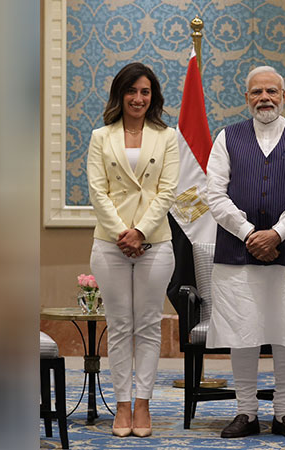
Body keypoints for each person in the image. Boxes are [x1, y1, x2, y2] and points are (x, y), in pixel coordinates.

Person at [205, 66, 285, 439]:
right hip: (237, 254)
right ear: (247, 98)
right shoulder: (228, 137)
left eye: (272, 91)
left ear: (284, 95)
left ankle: (284, 414)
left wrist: (275, 233)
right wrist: (249, 234)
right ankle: (246, 413)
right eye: (256, 92)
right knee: (244, 332)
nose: (264, 98)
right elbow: (214, 195)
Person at [87, 62, 179, 437]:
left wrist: (140, 231)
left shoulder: (167, 136)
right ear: (120, 94)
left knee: (148, 325)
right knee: (121, 326)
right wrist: (123, 233)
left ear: (153, 96)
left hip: (155, 243)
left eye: (145, 92)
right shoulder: (100, 136)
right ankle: (122, 407)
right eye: (132, 91)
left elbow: (168, 190)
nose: (138, 98)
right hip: (109, 244)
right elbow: (98, 190)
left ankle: (143, 405)